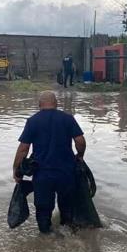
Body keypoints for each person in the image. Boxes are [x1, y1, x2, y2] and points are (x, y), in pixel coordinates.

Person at [12, 91, 86, 233]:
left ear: (39, 105)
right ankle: (68, 234)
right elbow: (80, 141)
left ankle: (46, 240)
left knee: (43, 212)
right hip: (66, 173)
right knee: (67, 209)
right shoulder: (67, 119)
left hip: (42, 175)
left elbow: (23, 149)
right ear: (56, 104)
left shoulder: (33, 121)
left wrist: (16, 170)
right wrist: (80, 156)